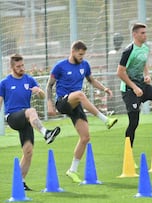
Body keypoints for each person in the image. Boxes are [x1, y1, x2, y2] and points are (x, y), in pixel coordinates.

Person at [46, 40, 118, 183]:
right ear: (73, 51)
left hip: (76, 103)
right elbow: (49, 86)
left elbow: (91, 81)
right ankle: (105, 120)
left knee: (85, 138)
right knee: (80, 94)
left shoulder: (84, 65)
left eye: (83, 55)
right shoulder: (60, 66)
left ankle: (72, 170)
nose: (82, 57)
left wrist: (104, 88)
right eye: (80, 54)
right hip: (63, 102)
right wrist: (49, 104)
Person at [0, 54, 61, 190]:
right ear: (12, 67)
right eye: (18, 66)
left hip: (26, 119)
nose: (22, 68)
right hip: (12, 117)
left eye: (22, 65)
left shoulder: (29, 79)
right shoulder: (4, 83)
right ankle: (46, 133)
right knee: (31, 111)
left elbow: (42, 96)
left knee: (28, 152)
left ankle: (20, 183)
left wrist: (39, 91)